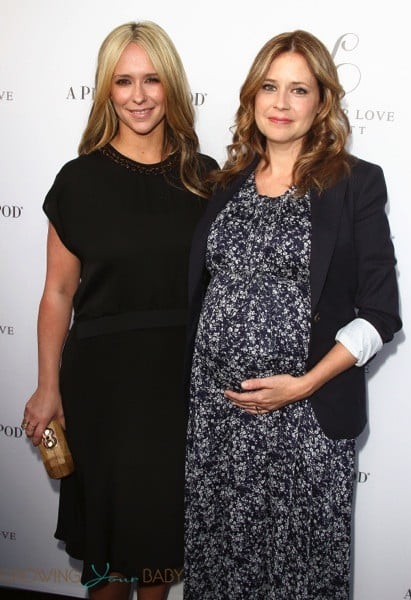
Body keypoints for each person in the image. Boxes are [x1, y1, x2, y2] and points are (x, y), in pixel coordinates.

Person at [183, 30, 401, 599]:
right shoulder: (223, 184)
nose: (281, 104)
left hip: (306, 422)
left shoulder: (355, 184)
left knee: (299, 578)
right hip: (218, 421)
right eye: (270, 87)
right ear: (252, 97)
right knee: (221, 570)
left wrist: (303, 385)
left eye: (298, 90)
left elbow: (379, 314)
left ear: (322, 102)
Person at [22, 21, 217, 600]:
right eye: (124, 80)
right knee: (108, 562)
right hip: (102, 389)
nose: (139, 95)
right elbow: (58, 292)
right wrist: (47, 386)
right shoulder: (78, 182)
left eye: (152, 79)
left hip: (177, 387)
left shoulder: (207, 178)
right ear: (106, 90)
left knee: (159, 553)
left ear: (171, 86)